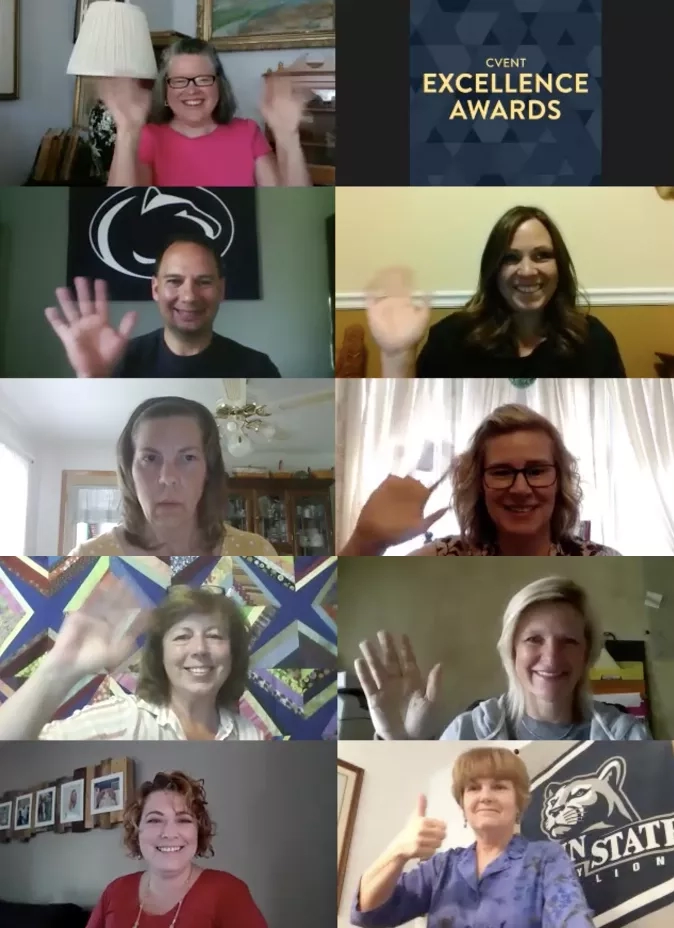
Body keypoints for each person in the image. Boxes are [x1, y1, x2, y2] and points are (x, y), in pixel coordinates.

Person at [353, 576, 650, 741]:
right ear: (511, 650)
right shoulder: (467, 731)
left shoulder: (627, 735)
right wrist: (395, 738)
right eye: (534, 639)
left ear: (588, 652)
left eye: (569, 641)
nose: (551, 656)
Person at [364, 206, 626, 378]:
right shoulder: (451, 340)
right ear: (493, 269)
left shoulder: (594, 341)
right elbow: (405, 425)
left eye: (542, 256)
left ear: (560, 266)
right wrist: (398, 356)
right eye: (510, 258)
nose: (527, 270)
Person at [351, 746, 594, 928]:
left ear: (518, 803)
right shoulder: (441, 868)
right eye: (474, 788)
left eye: (499, 786)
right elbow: (367, 913)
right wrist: (397, 852)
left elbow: (572, 919)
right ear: (463, 805)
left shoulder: (546, 859)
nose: (485, 796)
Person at [341, 404, 620, 556]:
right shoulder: (441, 558)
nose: (520, 489)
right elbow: (318, 620)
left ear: (560, 480)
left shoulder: (601, 559)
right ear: (479, 484)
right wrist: (365, 543)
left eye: (536, 471)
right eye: (501, 472)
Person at [0, 585, 265, 741]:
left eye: (214, 636)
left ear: (233, 654)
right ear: (160, 655)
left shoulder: (249, 735)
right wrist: (58, 668)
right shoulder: (124, 719)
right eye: (183, 636)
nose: (199, 649)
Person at [45, 233, 281, 378]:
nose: (189, 296)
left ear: (222, 289)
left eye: (204, 281)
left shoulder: (257, 368)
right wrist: (91, 378)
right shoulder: (116, 362)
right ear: (156, 289)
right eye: (174, 281)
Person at [68, 396, 277, 555]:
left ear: (208, 470)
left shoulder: (255, 552)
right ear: (129, 471)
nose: (167, 477)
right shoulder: (86, 558)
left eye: (187, 458)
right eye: (150, 458)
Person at [101, 37, 310, 187]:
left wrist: (287, 136)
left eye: (202, 79)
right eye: (179, 81)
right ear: (166, 89)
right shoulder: (149, 136)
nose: (191, 90)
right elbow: (122, 210)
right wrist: (126, 130)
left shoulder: (247, 132)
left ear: (219, 85)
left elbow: (291, 210)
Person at [86, 770, 268, 927]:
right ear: (137, 830)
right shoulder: (115, 891)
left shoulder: (228, 892)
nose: (169, 833)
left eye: (183, 820)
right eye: (155, 820)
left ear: (198, 830)